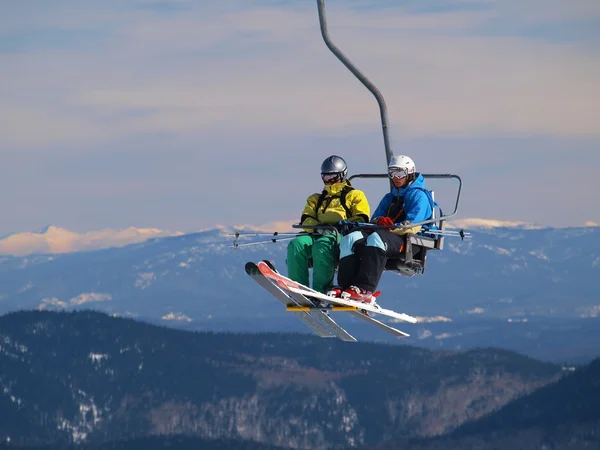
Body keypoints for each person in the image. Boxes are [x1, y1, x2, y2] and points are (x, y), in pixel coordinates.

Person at [329, 155, 436, 302]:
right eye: (391, 173)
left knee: (376, 239)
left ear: (410, 173)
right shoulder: (389, 197)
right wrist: (378, 222)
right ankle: (345, 286)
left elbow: (412, 226)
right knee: (350, 239)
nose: (395, 177)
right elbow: (374, 220)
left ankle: (365, 288)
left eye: (399, 173)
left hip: (408, 240)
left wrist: (390, 228)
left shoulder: (419, 196)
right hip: (385, 234)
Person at [287, 155, 370, 294]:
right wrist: (318, 227)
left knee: (322, 246)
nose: (329, 181)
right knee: (296, 245)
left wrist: (346, 225)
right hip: (317, 233)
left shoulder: (355, 195)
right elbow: (306, 218)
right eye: (326, 177)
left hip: (340, 236)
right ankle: (299, 289)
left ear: (342, 175)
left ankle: (322, 289)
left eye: (333, 177)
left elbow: (362, 217)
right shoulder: (316, 199)